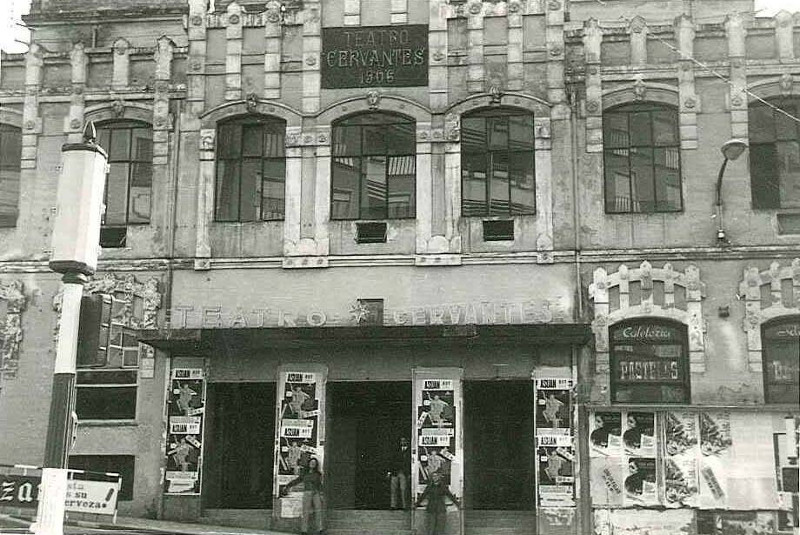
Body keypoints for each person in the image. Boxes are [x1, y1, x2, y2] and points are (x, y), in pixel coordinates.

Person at [283, 457, 325, 535]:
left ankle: (320, 529)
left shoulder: (318, 474)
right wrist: (288, 485)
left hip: (316, 493)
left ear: (316, 465)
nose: (312, 464)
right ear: (309, 463)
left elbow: (320, 485)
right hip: (307, 492)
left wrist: (321, 494)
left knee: (318, 511)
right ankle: (304, 530)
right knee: (305, 511)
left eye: (314, 463)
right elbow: (297, 480)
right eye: (311, 463)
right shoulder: (305, 473)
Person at [415, 470, 460, 535]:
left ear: (439, 477)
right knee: (431, 528)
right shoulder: (429, 487)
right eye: (433, 476)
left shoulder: (443, 486)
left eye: (436, 476)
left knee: (440, 529)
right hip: (431, 508)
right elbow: (423, 496)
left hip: (440, 509)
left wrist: (457, 503)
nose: (434, 477)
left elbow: (450, 495)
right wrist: (416, 504)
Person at [389, 437, 411, 509]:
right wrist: (389, 471)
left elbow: (410, 463)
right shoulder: (396, 450)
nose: (402, 442)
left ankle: (404, 505)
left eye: (404, 440)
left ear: (407, 441)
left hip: (404, 473)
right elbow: (391, 461)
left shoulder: (410, 451)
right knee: (393, 489)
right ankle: (393, 505)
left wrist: (409, 473)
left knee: (403, 489)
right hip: (395, 472)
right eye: (401, 441)